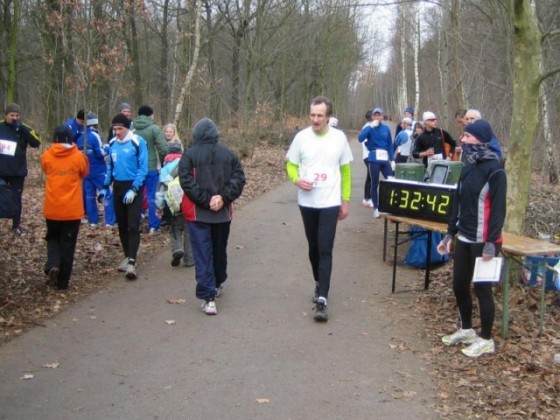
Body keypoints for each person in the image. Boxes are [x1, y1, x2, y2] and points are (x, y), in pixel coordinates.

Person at [437, 119, 506, 358]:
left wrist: (491, 241)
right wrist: (449, 233)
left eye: (467, 136)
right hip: (464, 238)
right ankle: (466, 330)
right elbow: (457, 202)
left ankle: (486, 339)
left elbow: (498, 210)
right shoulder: (468, 165)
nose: (462, 140)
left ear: (479, 139)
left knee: (482, 290)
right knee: (459, 286)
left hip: (485, 241)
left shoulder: (495, 170)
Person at [286, 96, 353, 322]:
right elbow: (291, 164)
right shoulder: (301, 138)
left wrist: (345, 200)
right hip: (307, 202)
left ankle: (322, 299)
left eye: (320, 116)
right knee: (313, 247)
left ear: (328, 117)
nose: (315, 119)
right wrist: (296, 180)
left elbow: (345, 171)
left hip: (330, 202)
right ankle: (318, 282)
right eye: (312, 115)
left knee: (325, 248)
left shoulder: (339, 138)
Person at [178, 118, 246, 315]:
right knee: (218, 250)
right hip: (221, 213)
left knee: (203, 254)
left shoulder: (189, 155)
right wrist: (221, 199)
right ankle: (216, 284)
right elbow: (239, 178)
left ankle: (209, 297)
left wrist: (209, 200)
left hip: (198, 214)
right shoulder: (228, 154)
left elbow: (186, 182)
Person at [98, 113, 148, 280]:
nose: (117, 132)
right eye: (114, 129)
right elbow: (110, 168)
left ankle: (132, 263)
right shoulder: (112, 144)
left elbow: (143, 168)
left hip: (134, 186)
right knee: (122, 225)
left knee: (133, 225)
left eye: (120, 128)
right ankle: (127, 255)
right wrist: (105, 186)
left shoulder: (138, 142)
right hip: (118, 187)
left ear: (128, 128)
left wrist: (134, 188)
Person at [41, 125, 89, 291]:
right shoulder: (78, 157)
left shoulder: (47, 155)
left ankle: (53, 263)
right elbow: (84, 172)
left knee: (52, 238)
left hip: (52, 207)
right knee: (68, 245)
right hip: (72, 210)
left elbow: (45, 169)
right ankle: (63, 284)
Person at [0, 103, 42, 236]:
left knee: (16, 198)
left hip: (17, 171)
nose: (14, 118)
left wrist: (22, 129)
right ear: (5, 115)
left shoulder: (23, 128)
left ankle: (16, 225)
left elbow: (36, 142)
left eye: (17, 115)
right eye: (11, 115)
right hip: (1, 170)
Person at [156, 141, 194, 267]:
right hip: (187, 202)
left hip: (171, 206)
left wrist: (159, 207)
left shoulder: (164, 169)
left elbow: (160, 191)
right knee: (188, 231)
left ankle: (177, 249)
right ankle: (189, 259)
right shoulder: (187, 164)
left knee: (175, 229)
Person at [76, 112, 116, 227]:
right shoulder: (95, 135)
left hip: (86, 171)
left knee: (89, 195)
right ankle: (110, 221)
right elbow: (100, 153)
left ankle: (93, 221)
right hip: (99, 171)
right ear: (95, 124)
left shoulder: (80, 137)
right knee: (107, 193)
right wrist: (108, 148)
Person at [132, 105, 168, 233]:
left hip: (135, 168)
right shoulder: (154, 128)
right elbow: (163, 148)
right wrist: (165, 162)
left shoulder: (132, 129)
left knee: (136, 195)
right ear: (151, 115)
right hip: (151, 167)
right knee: (153, 196)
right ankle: (154, 226)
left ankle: (134, 225)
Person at [358, 107, 393, 218]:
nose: (377, 117)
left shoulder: (386, 129)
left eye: (379, 115)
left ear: (382, 116)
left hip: (384, 158)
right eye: (375, 115)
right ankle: (376, 208)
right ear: (372, 116)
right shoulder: (369, 128)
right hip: (373, 159)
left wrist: (392, 160)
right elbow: (360, 138)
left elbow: (390, 144)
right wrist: (370, 127)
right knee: (374, 183)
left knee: (391, 180)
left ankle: (388, 205)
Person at [361, 110, 373, 208]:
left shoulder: (371, 127)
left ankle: (368, 197)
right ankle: (367, 198)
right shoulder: (366, 128)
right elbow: (365, 142)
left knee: (371, 176)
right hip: (368, 156)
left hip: (371, 156)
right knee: (370, 177)